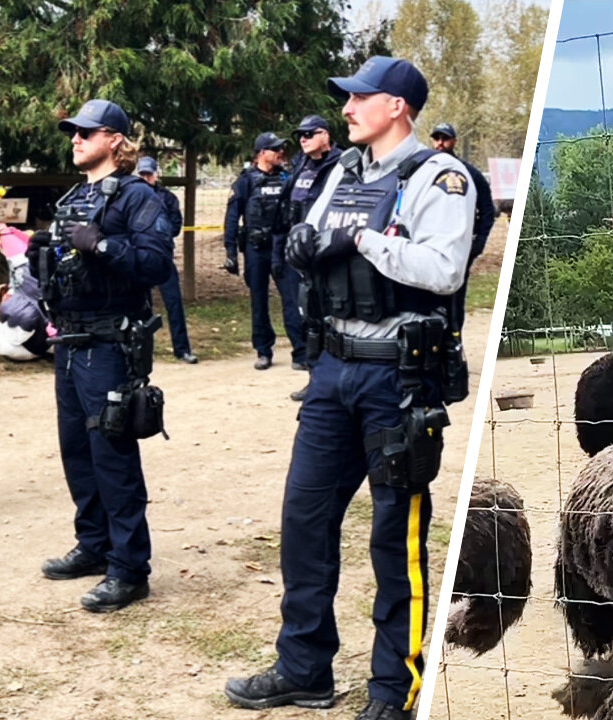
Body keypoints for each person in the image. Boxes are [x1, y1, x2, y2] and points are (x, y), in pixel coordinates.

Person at [224, 56, 475, 720]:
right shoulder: (343, 170)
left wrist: (362, 240)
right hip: (333, 369)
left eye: (360, 97)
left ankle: (395, 689)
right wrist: (306, 243)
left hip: (397, 376)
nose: (346, 108)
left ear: (397, 106)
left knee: (395, 534)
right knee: (304, 519)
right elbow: (313, 233)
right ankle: (303, 667)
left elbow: (443, 270)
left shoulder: (439, 177)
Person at [31, 99, 172, 612]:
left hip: (111, 344)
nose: (75, 139)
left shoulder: (137, 196)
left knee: (112, 456)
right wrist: (43, 253)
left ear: (115, 140)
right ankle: (93, 544)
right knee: (77, 451)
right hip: (70, 341)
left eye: (86, 132)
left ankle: (129, 568)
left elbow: (156, 263)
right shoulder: (76, 194)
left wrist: (102, 246)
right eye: (73, 131)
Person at [282, 114, 344, 402]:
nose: (303, 139)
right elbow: (287, 210)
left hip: (328, 255)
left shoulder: (343, 165)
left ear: (325, 136)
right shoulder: (301, 167)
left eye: (309, 134)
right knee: (309, 320)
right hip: (300, 256)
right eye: (300, 135)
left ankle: (337, 382)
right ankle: (315, 380)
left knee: (333, 320)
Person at [223, 132, 289, 370]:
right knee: (259, 301)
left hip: (281, 248)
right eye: (275, 149)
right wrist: (230, 252)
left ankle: (301, 351)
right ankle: (263, 350)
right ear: (262, 153)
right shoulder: (245, 181)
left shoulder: (286, 178)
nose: (281, 152)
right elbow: (232, 217)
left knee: (292, 298)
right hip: (256, 248)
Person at [429, 122, 495, 330]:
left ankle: (454, 339)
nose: (440, 143)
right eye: (437, 138)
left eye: (445, 138)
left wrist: (479, 243)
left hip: (459, 247)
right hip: (428, 245)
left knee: (455, 299)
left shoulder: (470, 174)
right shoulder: (424, 171)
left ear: (454, 141)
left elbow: (488, 211)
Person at [138, 155, 197, 364]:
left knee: (174, 303)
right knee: (140, 306)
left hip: (162, 258)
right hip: (139, 259)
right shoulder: (132, 196)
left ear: (156, 175)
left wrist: (156, 237)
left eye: (149, 174)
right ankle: (142, 351)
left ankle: (182, 349)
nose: (146, 178)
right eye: (142, 174)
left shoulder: (168, 198)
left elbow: (175, 226)